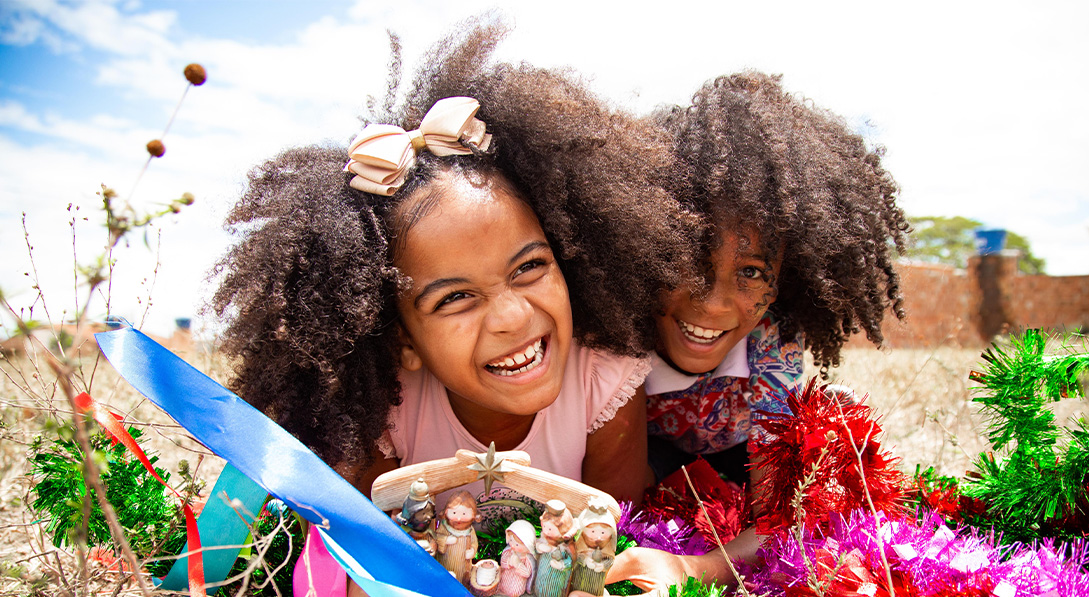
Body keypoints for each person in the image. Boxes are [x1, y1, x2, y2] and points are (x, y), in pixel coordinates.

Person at [210, 17, 698, 510]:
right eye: (456, 297)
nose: (512, 317)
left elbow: (613, 539)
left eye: (528, 268)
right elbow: (378, 561)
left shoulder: (604, 382)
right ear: (404, 338)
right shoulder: (385, 418)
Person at [609, 71, 911, 591]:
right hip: (645, 461)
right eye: (688, 261)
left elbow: (774, 522)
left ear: (785, 278)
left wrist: (698, 568)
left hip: (737, 462)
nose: (712, 303)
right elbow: (616, 495)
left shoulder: (771, 347)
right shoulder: (618, 327)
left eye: (750, 272)